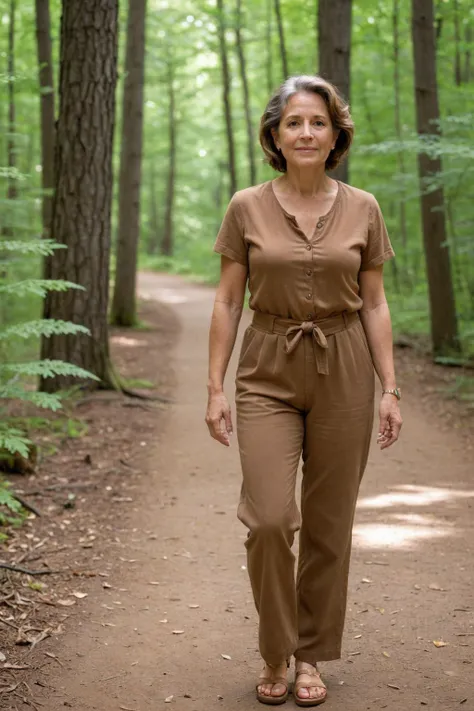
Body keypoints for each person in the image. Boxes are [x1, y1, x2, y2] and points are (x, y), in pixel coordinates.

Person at [205, 74, 402, 707]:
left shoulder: (364, 207)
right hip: (268, 362)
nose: (307, 132)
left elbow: (374, 303)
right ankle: (275, 645)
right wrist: (215, 388)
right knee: (267, 519)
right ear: (275, 135)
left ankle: (311, 654)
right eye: (294, 122)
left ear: (336, 132)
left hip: (344, 363)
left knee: (328, 523)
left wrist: (390, 388)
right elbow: (229, 299)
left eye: (318, 121)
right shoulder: (246, 206)